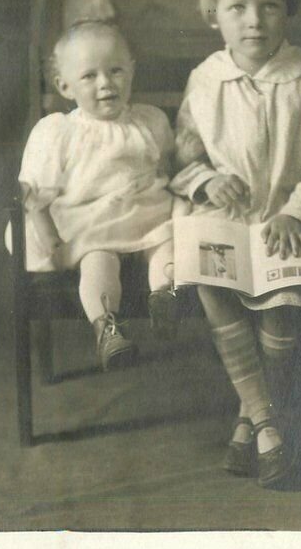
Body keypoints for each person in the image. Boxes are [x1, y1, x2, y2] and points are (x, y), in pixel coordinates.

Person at [170, 0, 301, 488]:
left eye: (268, 6)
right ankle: (267, 423)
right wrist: (208, 179)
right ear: (215, 17)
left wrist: (297, 211)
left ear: (287, 9)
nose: (254, 20)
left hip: (290, 213)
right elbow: (184, 153)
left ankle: (251, 417)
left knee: (280, 306)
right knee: (209, 278)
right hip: (230, 213)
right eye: (237, 8)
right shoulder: (205, 79)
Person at [11, 20, 179, 368]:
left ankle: (164, 297)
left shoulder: (150, 121)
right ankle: (107, 327)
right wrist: (53, 244)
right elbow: (36, 194)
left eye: (115, 70)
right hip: (91, 222)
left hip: (144, 211)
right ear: (65, 86)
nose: (105, 83)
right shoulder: (59, 131)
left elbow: (166, 168)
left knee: (168, 239)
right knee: (97, 259)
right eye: (89, 76)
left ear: (131, 71)